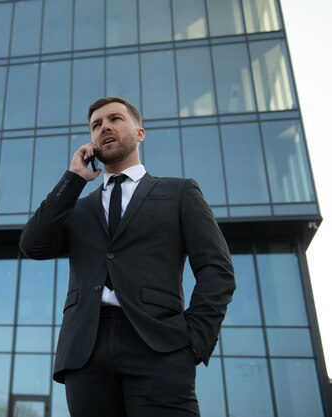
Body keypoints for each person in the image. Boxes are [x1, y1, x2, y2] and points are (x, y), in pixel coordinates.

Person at [19, 97, 236, 417]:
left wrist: (193, 342)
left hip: (160, 346)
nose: (104, 126)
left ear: (140, 133)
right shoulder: (77, 208)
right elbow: (33, 245)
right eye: (95, 125)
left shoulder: (180, 193)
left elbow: (217, 269)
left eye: (115, 119)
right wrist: (73, 179)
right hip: (85, 352)